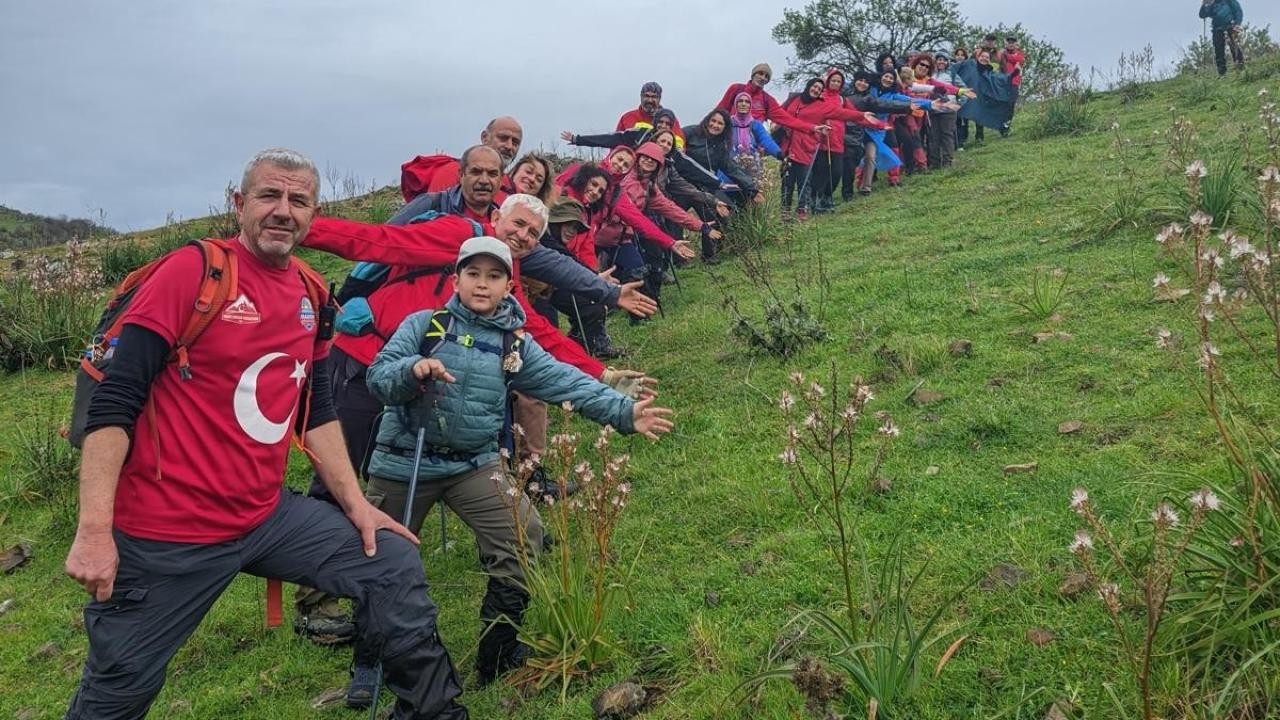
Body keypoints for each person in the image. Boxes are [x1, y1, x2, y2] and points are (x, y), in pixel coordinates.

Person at [62, 148, 469, 719]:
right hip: (165, 536)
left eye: (298, 201)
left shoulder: (311, 292)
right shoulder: (193, 272)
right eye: (269, 196)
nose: (283, 211)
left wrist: (357, 507)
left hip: (264, 516)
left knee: (390, 560)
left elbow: (317, 408)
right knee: (118, 692)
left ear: (313, 213)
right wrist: (94, 531)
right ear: (240, 204)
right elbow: (116, 401)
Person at [360, 235, 675, 686]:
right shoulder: (423, 325)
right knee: (382, 560)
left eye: (494, 276)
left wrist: (623, 411)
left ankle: (498, 651)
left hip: (474, 464)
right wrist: (413, 372)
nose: (482, 284)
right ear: (456, 280)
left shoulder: (514, 345)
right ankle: (370, 662)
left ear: (510, 286)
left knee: (524, 537)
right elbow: (378, 379)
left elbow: (564, 381)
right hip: (404, 462)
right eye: (473, 274)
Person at [400, 117, 524, 201]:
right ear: (485, 137)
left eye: (515, 142)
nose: (509, 146)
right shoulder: (452, 172)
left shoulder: (513, 188)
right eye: (503, 138)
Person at [714, 63, 836, 141]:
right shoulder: (736, 89)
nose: (763, 78)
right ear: (753, 74)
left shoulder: (767, 100)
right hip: (728, 140)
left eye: (766, 76)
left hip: (752, 145)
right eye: (760, 73)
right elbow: (719, 111)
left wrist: (813, 127)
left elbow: (788, 120)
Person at [615, 81, 686, 146]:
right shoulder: (627, 118)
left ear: (659, 99)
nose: (650, 100)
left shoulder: (670, 121)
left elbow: (680, 146)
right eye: (647, 96)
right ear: (641, 96)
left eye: (654, 97)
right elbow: (615, 143)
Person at [1200, 0, 1245, 76]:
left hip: (1230, 26)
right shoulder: (1212, 4)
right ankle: (1221, 72)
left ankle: (1240, 66)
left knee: (1234, 46)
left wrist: (1237, 24)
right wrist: (1204, 4)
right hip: (1217, 29)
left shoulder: (1228, 1)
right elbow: (1202, 15)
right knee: (1218, 50)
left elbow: (1238, 11)